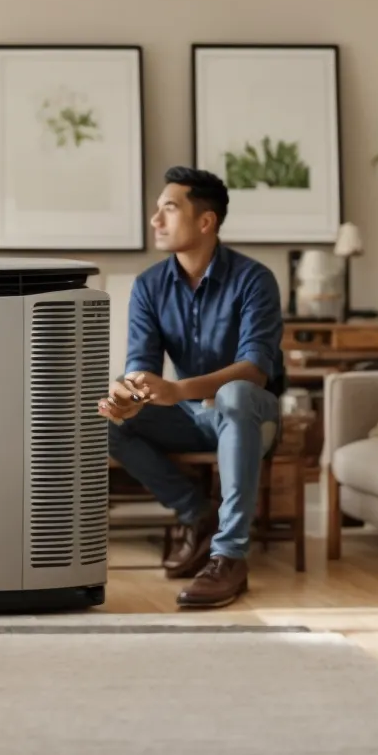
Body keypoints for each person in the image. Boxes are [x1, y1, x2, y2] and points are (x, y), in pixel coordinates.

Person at [99, 166, 284, 609]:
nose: (155, 220)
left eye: (168, 208)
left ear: (206, 221)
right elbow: (140, 367)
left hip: (251, 414)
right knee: (106, 422)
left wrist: (178, 389)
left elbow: (255, 371)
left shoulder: (255, 279)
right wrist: (128, 398)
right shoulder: (148, 286)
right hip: (188, 417)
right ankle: (196, 513)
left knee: (234, 394)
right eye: (157, 210)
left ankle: (229, 557)